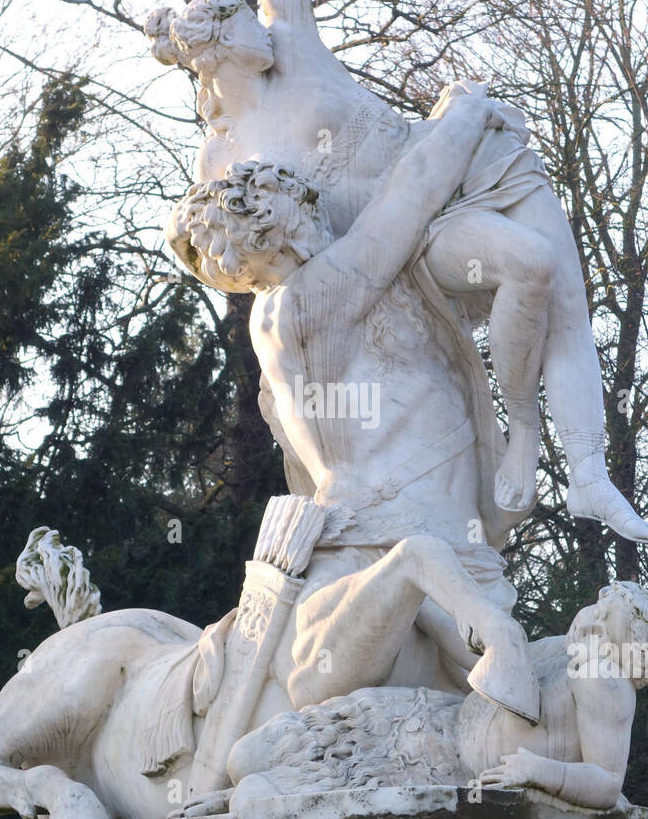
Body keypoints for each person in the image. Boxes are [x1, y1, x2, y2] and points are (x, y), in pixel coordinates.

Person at [114, 0, 648, 543]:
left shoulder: (293, 46)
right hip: (406, 252)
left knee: (566, 296)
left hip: (461, 165)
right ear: (221, 46)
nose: (263, 26)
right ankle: (523, 428)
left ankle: (587, 469)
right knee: (528, 264)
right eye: (243, 24)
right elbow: (240, 261)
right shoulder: (224, 158)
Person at [174, 87, 541, 723]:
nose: (316, 204)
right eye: (299, 195)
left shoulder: (292, 310)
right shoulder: (312, 296)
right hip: (393, 532)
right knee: (515, 700)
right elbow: (413, 193)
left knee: (514, 699)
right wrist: (465, 110)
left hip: (415, 525)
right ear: (278, 222)